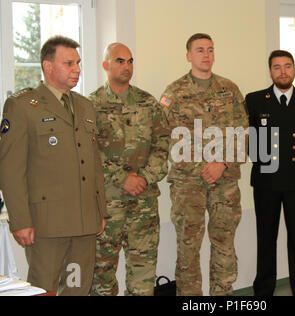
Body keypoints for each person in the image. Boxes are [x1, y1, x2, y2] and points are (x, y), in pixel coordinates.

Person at [0, 36, 107, 295]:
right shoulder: (22, 106)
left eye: (78, 63)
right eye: (69, 63)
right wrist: (20, 220)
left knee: (77, 288)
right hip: (46, 224)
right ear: (48, 67)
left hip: (84, 221)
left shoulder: (84, 106)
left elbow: (94, 164)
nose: (77, 69)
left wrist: (99, 210)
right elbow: (10, 170)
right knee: (43, 289)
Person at [160, 33, 248, 296]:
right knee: (188, 250)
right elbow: (164, 137)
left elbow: (244, 131)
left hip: (225, 182)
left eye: (210, 50)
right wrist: (201, 167)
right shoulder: (174, 93)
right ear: (188, 56)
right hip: (188, 185)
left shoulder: (229, 89)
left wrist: (221, 162)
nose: (206, 55)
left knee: (224, 247)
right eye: (199, 50)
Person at [89, 43, 169, 296]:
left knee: (143, 273)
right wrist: (122, 178)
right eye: (120, 61)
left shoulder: (148, 102)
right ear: (106, 65)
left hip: (142, 203)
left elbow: (163, 143)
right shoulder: (90, 105)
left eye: (130, 61)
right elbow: (88, 152)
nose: (127, 66)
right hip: (107, 203)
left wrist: (144, 178)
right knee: (101, 274)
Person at [246, 50, 295, 296]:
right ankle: (263, 291)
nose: (283, 71)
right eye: (277, 67)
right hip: (266, 181)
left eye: (287, 66)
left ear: (294, 70)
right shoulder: (255, 100)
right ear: (270, 71)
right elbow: (250, 139)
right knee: (266, 239)